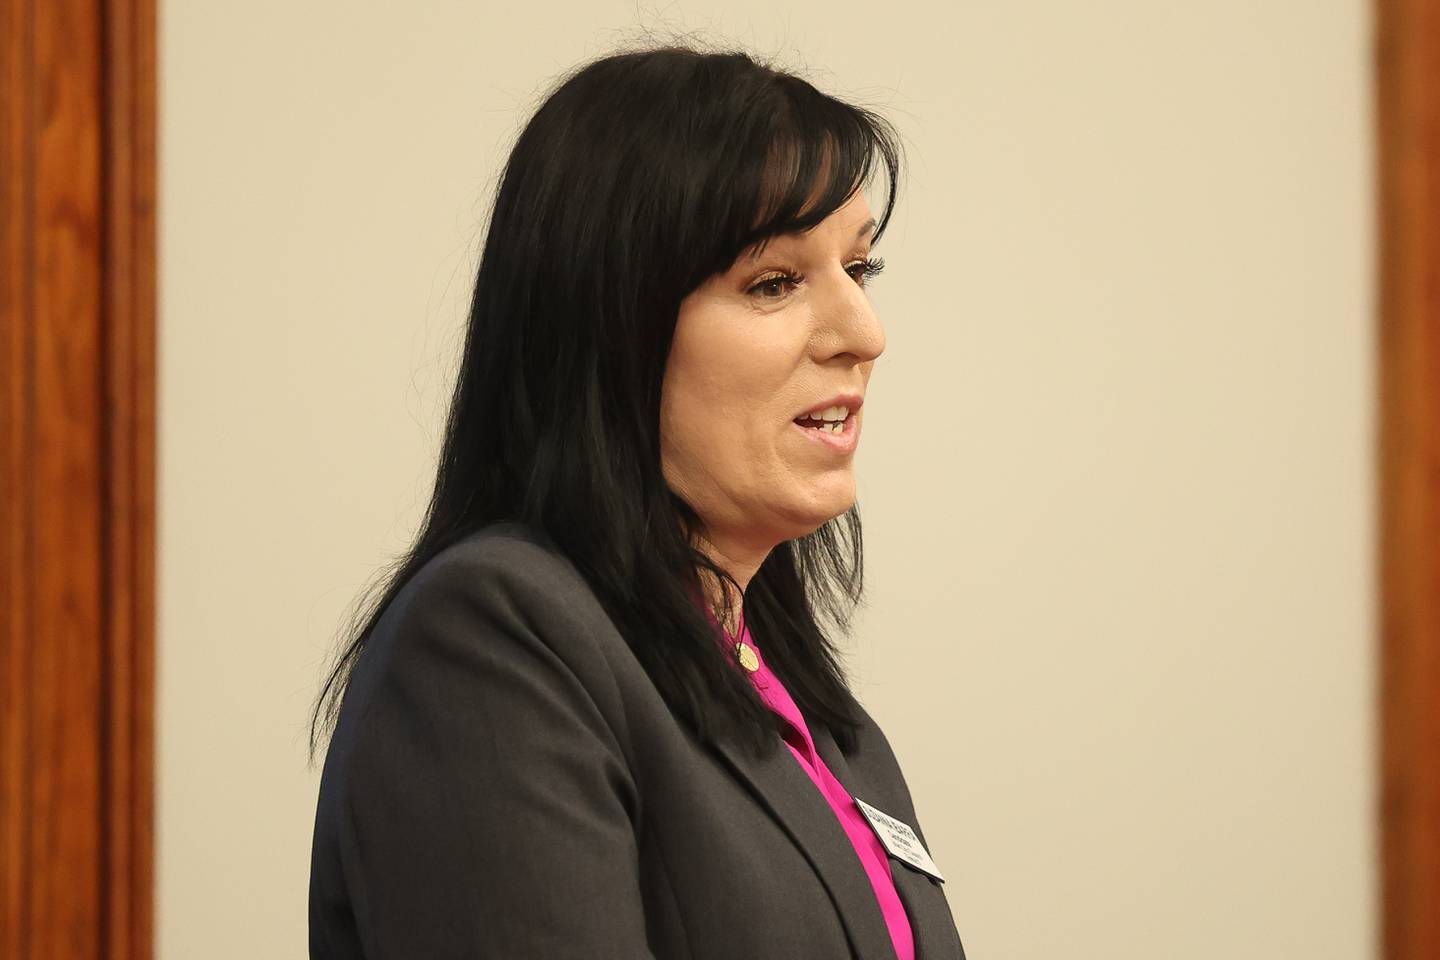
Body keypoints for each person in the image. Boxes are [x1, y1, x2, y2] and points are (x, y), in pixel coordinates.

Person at [306, 40, 966, 960]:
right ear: (611, 330)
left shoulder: (811, 708)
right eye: (774, 282)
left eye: (860, 270)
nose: (865, 332)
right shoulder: (493, 639)